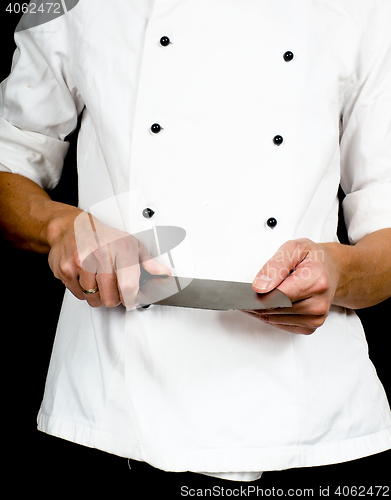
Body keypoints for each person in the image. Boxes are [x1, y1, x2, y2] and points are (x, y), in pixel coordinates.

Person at [0, 0, 390, 483]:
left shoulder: (368, 9)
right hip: (112, 413)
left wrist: (340, 273)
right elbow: (9, 159)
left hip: (307, 427)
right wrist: (63, 230)